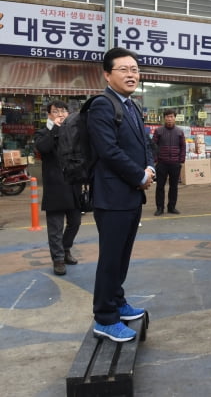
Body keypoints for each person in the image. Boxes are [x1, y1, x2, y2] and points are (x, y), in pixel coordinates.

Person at [88, 47, 155, 342]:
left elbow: (144, 143)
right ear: (107, 74)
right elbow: (108, 151)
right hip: (112, 197)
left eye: (135, 69)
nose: (132, 75)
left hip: (129, 195)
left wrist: (150, 167)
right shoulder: (102, 105)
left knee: (122, 256)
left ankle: (117, 300)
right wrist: (139, 175)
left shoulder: (131, 105)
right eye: (124, 70)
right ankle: (104, 317)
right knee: (111, 258)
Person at [34, 100, 81, 276]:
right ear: (49, 115)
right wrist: (55, 129)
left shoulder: (73, 132)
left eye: (63, 111)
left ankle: (65, 248)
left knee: (75, 222)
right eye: (56, 111)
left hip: (72, 185)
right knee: (55, 227)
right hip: (54, 187)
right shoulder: (43, 133)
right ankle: (58, 259)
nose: (60, 114)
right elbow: (43, 148)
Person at [152, 108, 186, 216]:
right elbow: (153, 146)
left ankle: (171, 207)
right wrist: (156, 160)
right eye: (167, 117)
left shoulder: (179, 132)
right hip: (162, 163)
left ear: (175, 118)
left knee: (174, 186)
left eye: (171, 117)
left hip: (175, 163)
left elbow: (183, 147)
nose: (169, 119)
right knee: (160, 186)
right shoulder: (158, 131)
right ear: (164, 118)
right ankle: (160, 208)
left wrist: (181, 160)